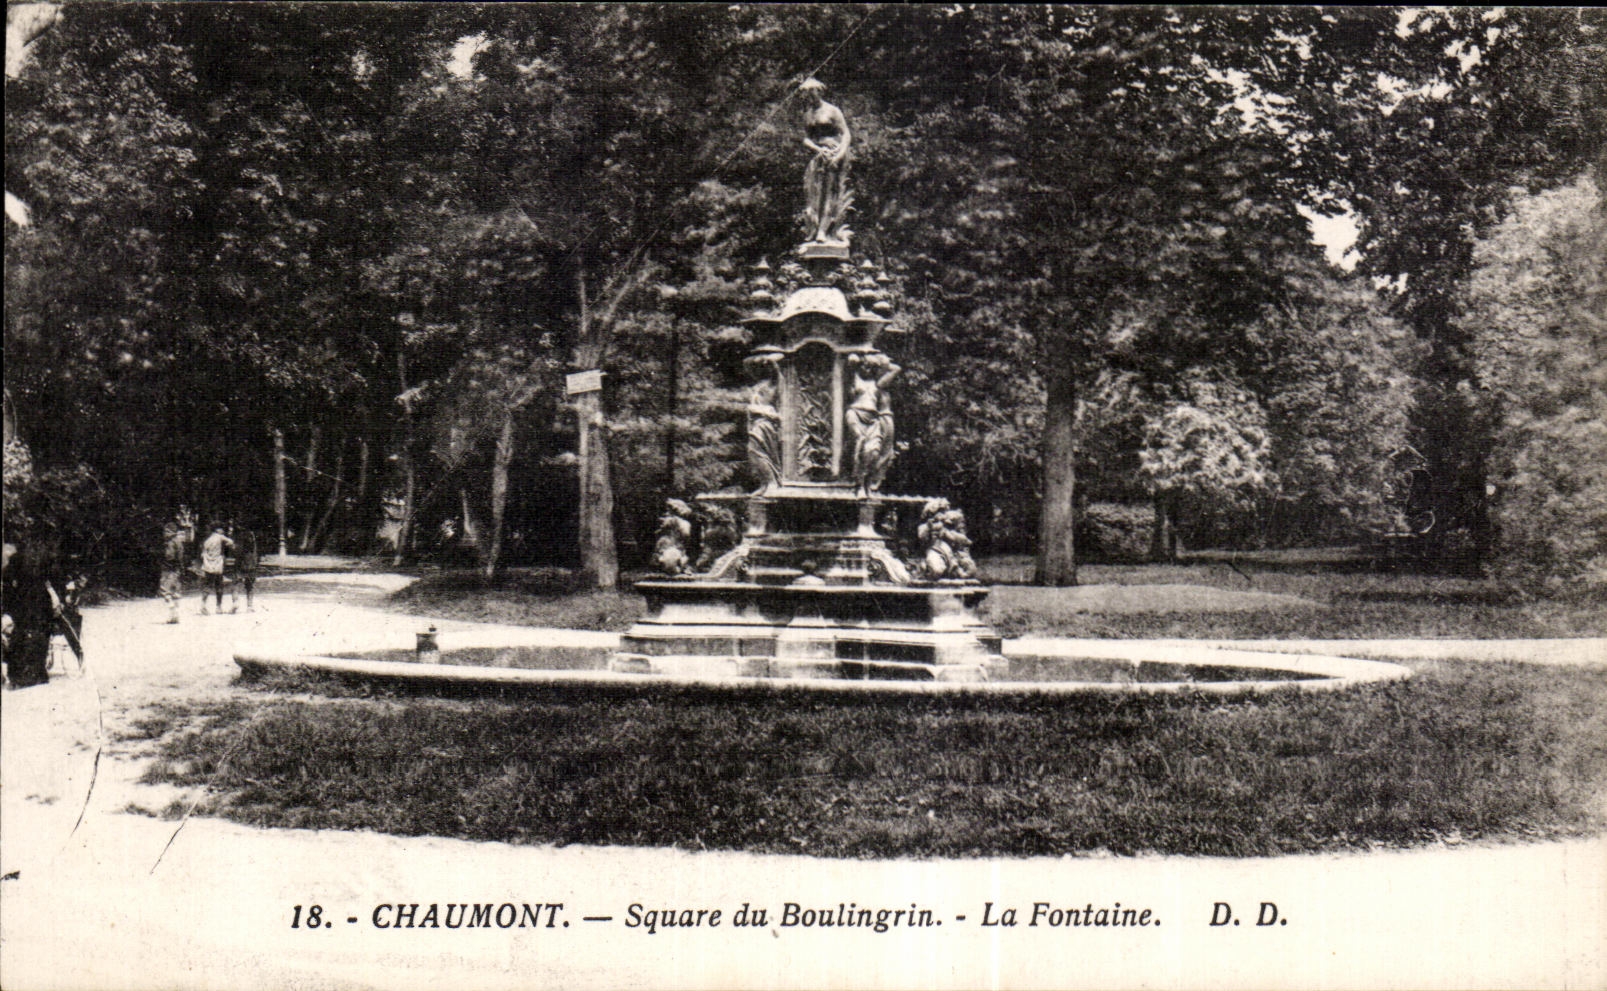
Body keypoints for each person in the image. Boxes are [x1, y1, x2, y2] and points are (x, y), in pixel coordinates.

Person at [800, 78, 852, 243]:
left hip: (833, 154)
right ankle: (813, 229)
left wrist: (839, 154)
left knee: (830, 192)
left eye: (812, 92)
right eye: (806, 93)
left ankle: (824, 230)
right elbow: (806, 139)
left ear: (819, 92)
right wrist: (817, 149)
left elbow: (846, 134)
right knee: (813, 193)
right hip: (817, 155)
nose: (809, 96)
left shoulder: (832, 110)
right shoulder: (808, 114)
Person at [846, 353, 900, 493]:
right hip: (855, 414)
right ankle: (857, 483)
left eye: (871, 367)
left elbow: (896, 369)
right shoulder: (855, 377)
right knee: (860, 441)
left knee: (874, 452)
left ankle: (866, 483)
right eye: (865, 366)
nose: (867, 369)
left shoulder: (878, 384)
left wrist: (882, 360)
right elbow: (851, 360)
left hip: (872, 420)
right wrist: (859, 358)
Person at [3, 540, 53, 688]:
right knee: (40, 635)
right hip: (41, 602)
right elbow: (51, 578)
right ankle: (39, 674)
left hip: (23, 602)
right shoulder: (45, 558)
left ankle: (19, 676)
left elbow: (7, 579)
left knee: (21, 635)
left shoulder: (16, 559)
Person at [159, 510, 193, 624]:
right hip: (178, 569)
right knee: (176, 591)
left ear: (171, 532)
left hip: (168, 569)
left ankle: (172, 612)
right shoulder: (179, 542)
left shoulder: (170, 542)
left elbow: (169, 556)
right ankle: (175, 613)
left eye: (166, 531)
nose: (164, 533)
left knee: (165, 590)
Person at [198, 524, 233, 615]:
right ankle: (218, 607)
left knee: (207, 585)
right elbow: (231, 542)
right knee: (219, 585)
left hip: (208, 566)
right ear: (218, 530)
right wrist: (225, 547)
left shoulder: (207, 541)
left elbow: (202, 554)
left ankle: (203, 605)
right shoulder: (220, 537)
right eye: (221, 529)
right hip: (218, 565)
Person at [232, 528, 259, 613]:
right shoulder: (253, 543)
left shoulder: (240, 540)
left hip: (241, 565)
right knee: (250, 586)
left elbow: (237, 553)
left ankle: (235, 601)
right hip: (251, 565)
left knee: (236, 584)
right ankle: (249, 606)